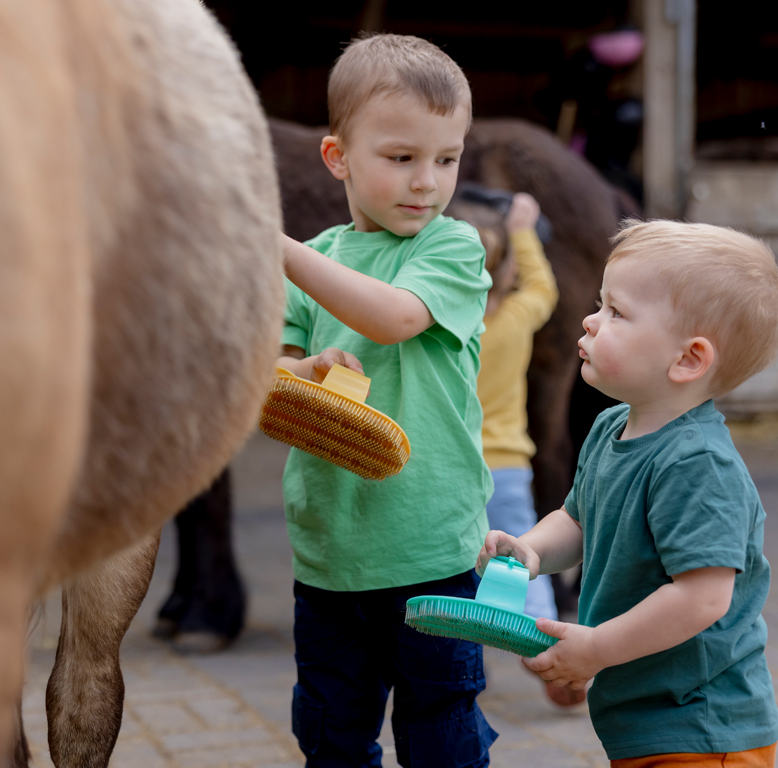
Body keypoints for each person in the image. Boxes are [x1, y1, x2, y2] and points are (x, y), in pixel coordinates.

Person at [477, 219, 778, 766]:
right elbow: (578, 518)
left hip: (704, 723)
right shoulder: (611, 427)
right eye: (600, 305)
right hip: (647, 716)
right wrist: (532, 551)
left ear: (688, 359)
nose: (590, 320)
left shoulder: (697, 464)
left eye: (616, 312)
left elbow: (703, 597)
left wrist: (597, 649)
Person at [277, 33, 498, 767]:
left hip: (433, 550)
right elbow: (268, 378)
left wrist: (275, 248)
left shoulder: (453, 248)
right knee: (332, 738)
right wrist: (303, 369)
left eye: (447, 158)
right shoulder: (317, 260)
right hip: (331, 557)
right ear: (338, 158)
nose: (426, 182)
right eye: (401, 158)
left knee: (441, 735)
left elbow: (393, 316)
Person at [475, 192, 585, 708]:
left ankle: (465, 665)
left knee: (458, 568)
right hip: (508, 468)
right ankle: (547, 654)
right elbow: (544, 287)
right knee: (524, 562)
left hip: (456, 473)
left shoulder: (448, 332)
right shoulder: (516, 319)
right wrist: (522, 229)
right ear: (506, 273)